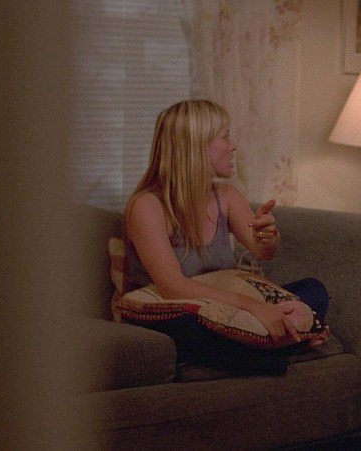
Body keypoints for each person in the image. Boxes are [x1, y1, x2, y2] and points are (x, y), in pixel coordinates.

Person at [123, 99, 328, 371]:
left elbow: (264, 252)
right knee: (192, 329)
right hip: (175, 312)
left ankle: (261, 351)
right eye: (225, 136)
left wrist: (268, 236)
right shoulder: (147, 206)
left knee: (314, 290)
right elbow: (173, 287)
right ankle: (286, 346)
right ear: (197, 145)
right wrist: (254, 307)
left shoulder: (227, 196)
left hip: (230, 309)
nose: (233, 146)